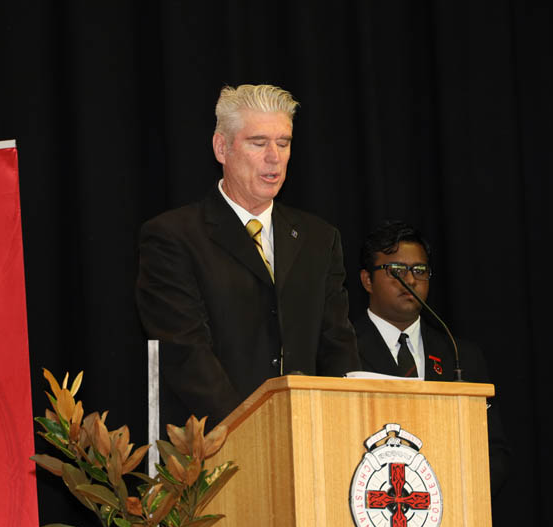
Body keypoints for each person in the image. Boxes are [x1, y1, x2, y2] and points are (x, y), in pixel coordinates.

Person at [136, 84, 360, 427]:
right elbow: (185, 353)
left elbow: (338, 346)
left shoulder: (319, 238)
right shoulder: (173, 237)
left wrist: (337, 424)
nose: (274, 157)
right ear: (221, 148)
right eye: (258, 143)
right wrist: (251, 428)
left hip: (308, 435)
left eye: (283, 143)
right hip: (214, 441)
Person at [353, 221, 511, 493]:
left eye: (420, 270)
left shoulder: (460, 355)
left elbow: (493, 451)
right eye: (396, 270)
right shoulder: (338, 350)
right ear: (368, 280)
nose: (410, 280)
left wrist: (454, 494)